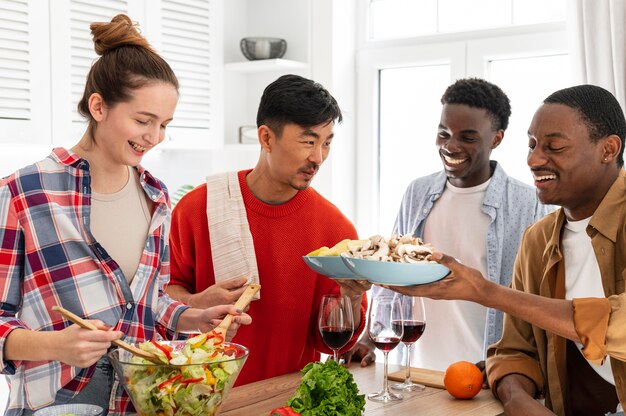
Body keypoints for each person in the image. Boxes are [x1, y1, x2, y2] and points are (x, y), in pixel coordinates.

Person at [0, 14, 250, 415]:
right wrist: (58, 345)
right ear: (98, 106)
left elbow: (149, 305)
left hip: (140, 403)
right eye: (142, 120)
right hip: (59, 405)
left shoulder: (155, 196)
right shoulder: (23, 194)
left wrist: (193, 318)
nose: (154, 137)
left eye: (164, 124)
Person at [388, 84, 626, 416]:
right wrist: (518, 399)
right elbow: (513, 350)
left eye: (554, 146)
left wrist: (485, 291)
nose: (534, 159)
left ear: (608, 149)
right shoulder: (538, 240)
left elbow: (619, 323)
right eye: (532, 145)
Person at [166, 74, 369, 386]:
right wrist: (196, 303)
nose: (318, 158)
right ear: (266, 138)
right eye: (308, 141)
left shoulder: (336, 230)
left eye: (327, 143)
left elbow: (328, 341)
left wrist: (352, 298)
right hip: (201, 395)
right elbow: (161, 297)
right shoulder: (197, 208)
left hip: (289, 401)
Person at [343, 78, 551, 371]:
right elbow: (390, 272)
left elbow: (539, 298)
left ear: (496, 138)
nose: (450, 146)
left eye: (467, 137)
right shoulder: (418, 192)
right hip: (415, 372)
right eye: (444, 133)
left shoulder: (529, 204)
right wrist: (369, 337)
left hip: (488, 375)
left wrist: (514, 371)